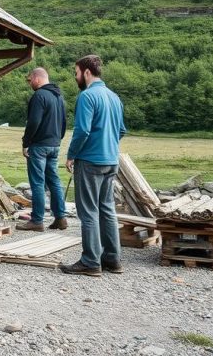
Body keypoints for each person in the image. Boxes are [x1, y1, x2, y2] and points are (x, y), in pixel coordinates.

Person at [60, 55, 128, 277]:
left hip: (90, 161)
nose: (75, 76)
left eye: (76, 72)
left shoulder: (87, 96)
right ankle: (113, 259)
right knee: (107, 209)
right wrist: (108, 145)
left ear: (87, 72)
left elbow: (82, 130)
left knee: (88, 211)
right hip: (111, 160)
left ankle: (90, 262)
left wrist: (71, 155)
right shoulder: (114, 97)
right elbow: (121, 130)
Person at [19, 68, 68, 232]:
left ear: (36, 78)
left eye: (29, 80)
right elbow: (63, 122)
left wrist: (26, 143)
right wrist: (57, 139)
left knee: (37, 183)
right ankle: (60, 218)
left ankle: (37, 220)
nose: (29, 83)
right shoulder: (58, 96)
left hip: (39, 145)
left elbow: (33, 122)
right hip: (54, 145)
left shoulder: (39, 96)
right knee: (54, 181)